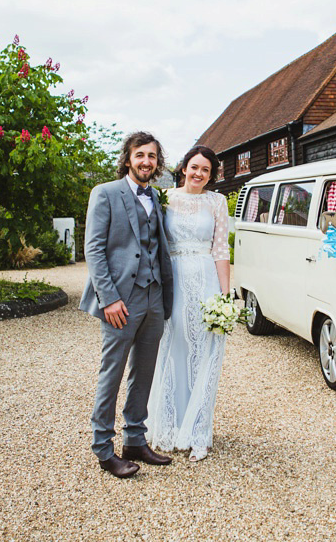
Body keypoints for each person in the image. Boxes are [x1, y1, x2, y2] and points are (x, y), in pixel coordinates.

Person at [79, 131, 175, 479]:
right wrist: (110, 299)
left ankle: (135, 439)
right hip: (121, 299)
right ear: (128, 159)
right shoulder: (104, 193)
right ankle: (104, 450)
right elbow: (94, 250)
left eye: (152, 156)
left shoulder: (156, 198)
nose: (146, 162)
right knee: (112, 373)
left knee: (144, 372)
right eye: (140, 155)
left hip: (154, 297)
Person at [146, 145, 231, 462]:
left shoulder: (217, 202)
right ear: (184, 168)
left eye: (206, 170)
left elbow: (221, 250)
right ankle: (168, 425)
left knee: (205, 354)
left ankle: (199, 433)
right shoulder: (164, 198)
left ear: (211, 175)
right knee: (174, 351)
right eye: (195, 167)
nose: (199, 174)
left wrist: (225, 297)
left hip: (206, 279)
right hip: (173, 282)